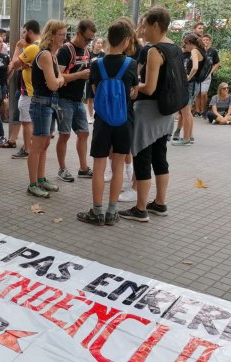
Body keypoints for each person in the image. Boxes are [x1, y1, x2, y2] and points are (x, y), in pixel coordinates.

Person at [119, 6, 178, 222]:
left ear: (155, 25)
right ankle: (160, 203)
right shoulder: (175, 47)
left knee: (142, 158)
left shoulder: (154, 51)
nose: (141, 29)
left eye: (144, 25)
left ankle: (141, 208)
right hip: (166, 113)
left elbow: (150, 87)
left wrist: (134, 86)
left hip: (149, 112)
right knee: (160, 158)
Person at [77, 19, 138, 226]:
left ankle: (97, 212)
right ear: (127, 40)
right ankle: (112, 212)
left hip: (102, 121)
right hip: (124, 120)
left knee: (99, 166)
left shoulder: (97, 64)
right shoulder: (131, 64)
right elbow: (133, 93)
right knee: (118, 165)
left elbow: (94, 92)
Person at [26, 20, 66, 198]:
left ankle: (40, 179)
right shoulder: (46, 56)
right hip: (43, 103)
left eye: (65, 34)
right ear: (52, 35)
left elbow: (59, 79)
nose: (64, 38)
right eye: (61, 34)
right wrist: (59, 81)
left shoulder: (52, 55)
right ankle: (33, 183)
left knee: (45, 144)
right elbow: (54, 84)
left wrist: (59, 80)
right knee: (38, 146)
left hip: (48, 104)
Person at [55, 19, 95, 183]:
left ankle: (83, 167)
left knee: (84, 133)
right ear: (78, 33)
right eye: (87, 38)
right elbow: (58, 77)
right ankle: (62, 168)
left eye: (91, 39)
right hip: (64, 99)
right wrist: (80, 75)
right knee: (64, 135)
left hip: (79, 100)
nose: (89, 42)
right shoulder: (65, 50)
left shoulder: (86, 51)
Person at [8, 20, 41, 160]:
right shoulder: (42, 46)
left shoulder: (32, 48)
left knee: (26, 122)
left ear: (29, 31)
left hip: (28, 91)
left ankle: (27, 149)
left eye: (23, 32)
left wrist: (17, 48)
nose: (22, 36)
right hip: (36, 90)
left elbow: (14, 64)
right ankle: (30, 147)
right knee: (31, 122)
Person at [171, 33, 205, 146]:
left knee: (185, 113)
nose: (185, 46)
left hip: (190, 85)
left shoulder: (195, 51)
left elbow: (195, 67)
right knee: (188, 113)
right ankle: (189, 136)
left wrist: (187, 78)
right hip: (196, 85)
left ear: (191, 43)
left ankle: (185, 138)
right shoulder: (201, 50)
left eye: (186, 43)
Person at [196, 33, 220, 117]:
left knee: (203, 93)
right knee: (197, 93)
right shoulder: (198, 50)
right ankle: (197, 111)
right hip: (198, 75)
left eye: (207, 40)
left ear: (210, 41)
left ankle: (203, 110)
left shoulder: (213, 51)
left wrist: (211, 71)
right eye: (204, 40)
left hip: (207, 76)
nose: (205, 41)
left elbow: (217, 63)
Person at [86, 37, 106, 123]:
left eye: (101, 43)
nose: (100, 45)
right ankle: (90, 116)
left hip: (100, 80)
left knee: (99, 97)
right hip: (90, 79)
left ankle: (98, 114)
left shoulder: (103, 55)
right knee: (90, 98)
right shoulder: (89, 54)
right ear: (94, 43)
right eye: (98, 43)